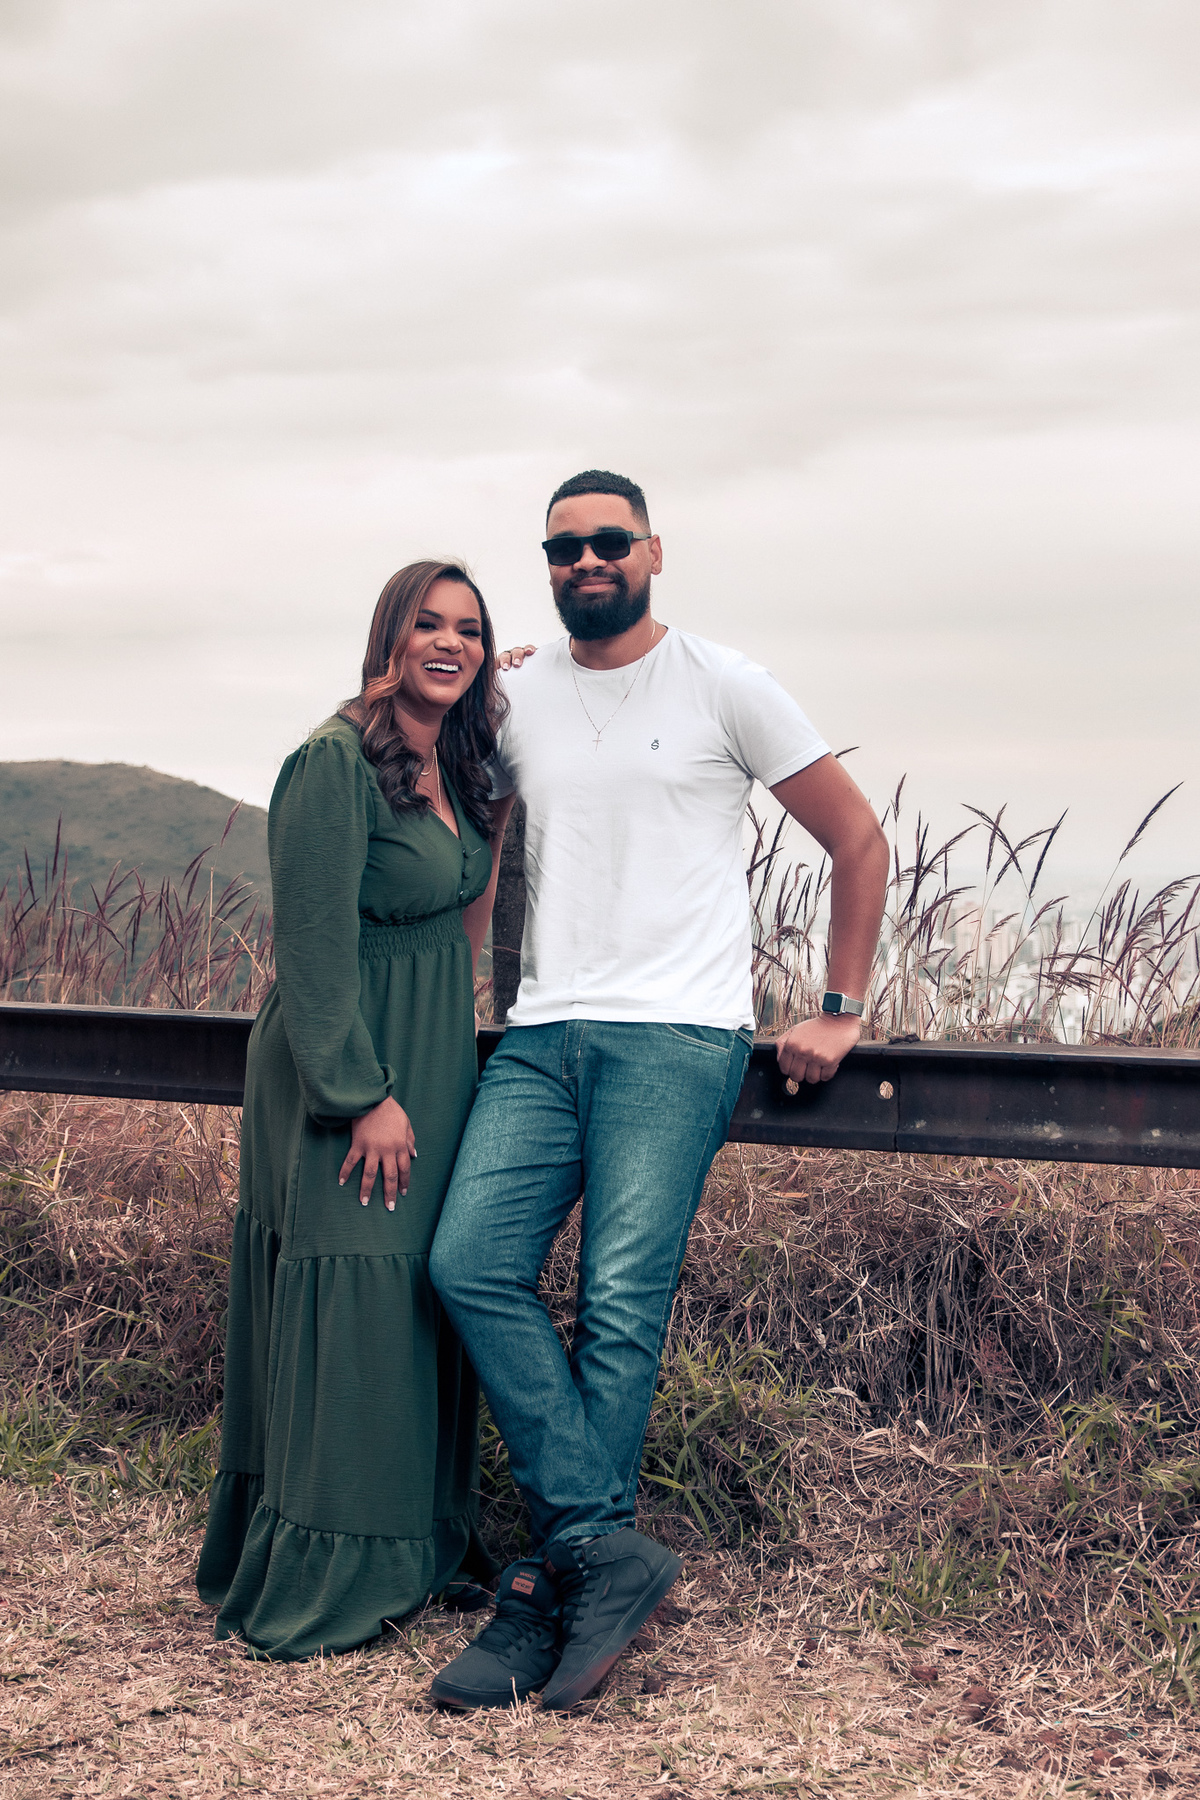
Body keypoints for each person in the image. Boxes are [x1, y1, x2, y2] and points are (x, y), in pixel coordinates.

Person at [427, 471, 890, 1710]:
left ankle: (549, 1586)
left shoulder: (725, 683)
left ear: (653, 551)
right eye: (563, 547)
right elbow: (476, 846)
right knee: (468, 1263)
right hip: (539, 1033)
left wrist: (839, 1009)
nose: (587, 560)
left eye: (609, 541)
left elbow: (856, 838)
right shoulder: (514, 693)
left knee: (620, 1304)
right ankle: (596, 1547)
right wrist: (456, 1001)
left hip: (677, 1035)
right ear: (547, 565)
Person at [197, 560, 510, 1660]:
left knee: (416, 1290)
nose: (449, 642)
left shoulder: (459, 763)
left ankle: (417, 1542)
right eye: (428, 623)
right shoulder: (331, 761)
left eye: (469, 629)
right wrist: (361, 1094)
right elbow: (313, 947)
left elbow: (464, 922)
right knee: (355, 1287)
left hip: (435, 1054)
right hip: (348, 1065)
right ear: (388, 635)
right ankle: (331, 1564)